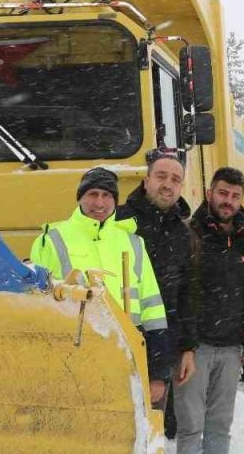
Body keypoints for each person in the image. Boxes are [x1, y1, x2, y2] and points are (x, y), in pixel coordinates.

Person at [28, 166, 170, 402]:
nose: (99, 202)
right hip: (72, 357)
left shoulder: (133, 242)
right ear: (80, 198)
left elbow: (152, 308)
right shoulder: (51, 239)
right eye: (92, 194)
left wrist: (157, 373)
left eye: (107, 195)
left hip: (126, 356)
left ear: (115, 201)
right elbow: (37, 306)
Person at [174, 167, 244, 454]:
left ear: (241, 199)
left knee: (219, 427)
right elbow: (179, 291)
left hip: (230, 348)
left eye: (235, 196)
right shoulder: (189, 234)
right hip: (196, 348)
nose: (228, 201)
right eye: (222, 193)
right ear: (210, 192)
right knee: (191, 427)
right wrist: (185, 345)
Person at [116, 148, 196, 439]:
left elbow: (185, 292)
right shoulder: (119, 220)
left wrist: (187, 347)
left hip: (162, 346)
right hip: (118, 340)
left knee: (156, 433)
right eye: (161, 176)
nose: (168, 184)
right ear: (146, 180)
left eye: (175, 179)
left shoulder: (182, 232)